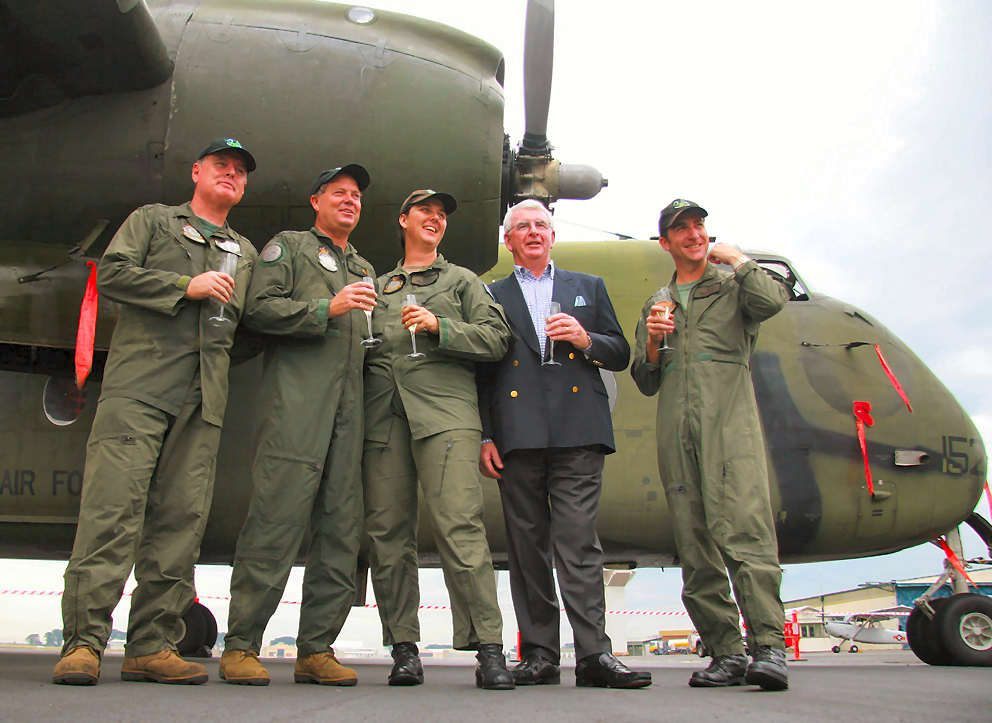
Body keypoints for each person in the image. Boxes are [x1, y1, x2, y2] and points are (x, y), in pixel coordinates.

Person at [52, 138, 259, 685]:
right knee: (112, 512)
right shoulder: (153, 222)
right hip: (140, 390)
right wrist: (182, 286)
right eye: (221, 166)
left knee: (180, 524)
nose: (231, 175)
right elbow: (113, 274)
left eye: (239, 172)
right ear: (196, 172)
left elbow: (257, 322)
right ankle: (84, 643)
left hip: (203, 400)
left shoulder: (246, 251)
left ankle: (149, 645)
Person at [477, 199, 651, 689]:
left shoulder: (587, 288)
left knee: (577, 541)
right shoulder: (491, 294)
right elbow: (484, 375)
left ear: (552, 237)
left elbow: (620, 352)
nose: (532, 233)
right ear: (509, 240)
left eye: (541, 226)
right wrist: (487, 435)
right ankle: (539, 655)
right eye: (522, 227)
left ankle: (595, 656)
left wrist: (586, 337)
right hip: (518, 435)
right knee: (526, 548)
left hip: (578, 431)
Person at [218, 165, 377, 687]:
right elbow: (258, 310)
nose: (350, 201)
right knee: (275, 520)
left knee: (340, 531)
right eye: (339, 193)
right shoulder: (288, 248)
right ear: (316, 201)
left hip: (347, 417)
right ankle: (241, 644)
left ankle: (316, 649)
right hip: (297, 410)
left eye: (356, 196)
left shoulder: (363, 266)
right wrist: (325, 308)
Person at [630, 199, 790, 691]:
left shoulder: (734, 287)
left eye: (698, 226)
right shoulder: (659, 301)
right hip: (677, 433)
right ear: (666, 242)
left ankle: (769, 647)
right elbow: (644, 377)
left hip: (729, 430)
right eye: (681, 229)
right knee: (694, 544)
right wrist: (655, 343)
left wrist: (739, 260)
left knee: (744, 531)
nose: (693, 234)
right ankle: (726, 652)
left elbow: (773, 302)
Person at [363, 189, 514, 690]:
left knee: (459, 527)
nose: (435, 219)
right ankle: (403, 649)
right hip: (385, 418)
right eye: (425, 211)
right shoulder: (379, 287)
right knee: (387, 533)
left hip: (447, 415)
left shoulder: (462, 281)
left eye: (442, 214)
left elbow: (497, 339)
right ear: (403, 219)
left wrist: (439, 326)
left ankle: (488, 649)